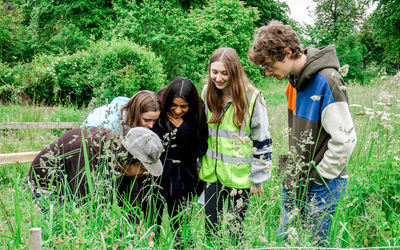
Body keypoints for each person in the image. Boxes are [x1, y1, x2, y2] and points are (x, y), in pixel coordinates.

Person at [248, 20, 357, 245]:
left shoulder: (327, 80)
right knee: (283, 240)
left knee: (316, 243)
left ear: (287, 53)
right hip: (296, 174)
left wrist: (321, 175)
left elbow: (345, 139)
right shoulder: (293, 83)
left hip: (322, 181)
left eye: (269, 65)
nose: (267, 73)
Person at [199, 47, 273, 242]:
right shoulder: (207, 93)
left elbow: (262, 140)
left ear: (235, 72)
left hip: (240, 178)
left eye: (225, 73)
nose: (219, 78)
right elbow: (200, 134)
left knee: (234, 233)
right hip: (211, 176)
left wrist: (258, 178)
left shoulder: (252, 97)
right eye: (214, 72)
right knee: (210, 232)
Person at [28, 126, 164, 217]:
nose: (145, 173)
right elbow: (86, 205)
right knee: (66, 226)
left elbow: (129, 196)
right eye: (143, 168)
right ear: (127, 159)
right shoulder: (89, 154)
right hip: (48, 184)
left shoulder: (119, 154)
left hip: (74, 182)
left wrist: (136, 226)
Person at [145, 76, 208, 246]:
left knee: (182, 231)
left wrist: (183, 130)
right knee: (150, 228)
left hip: (184, 177)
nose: (178, 111)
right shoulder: (157, 102)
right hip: (155, 177)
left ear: (191, 105)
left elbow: (201, 147)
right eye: (174, 105)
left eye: (183, 107)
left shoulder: (199, 109)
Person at [82, 90, 160, 134]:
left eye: (154, 120)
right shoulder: (112, 124)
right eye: (146, 120)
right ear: (135, 112)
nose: (151, 126)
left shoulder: (127, 110)